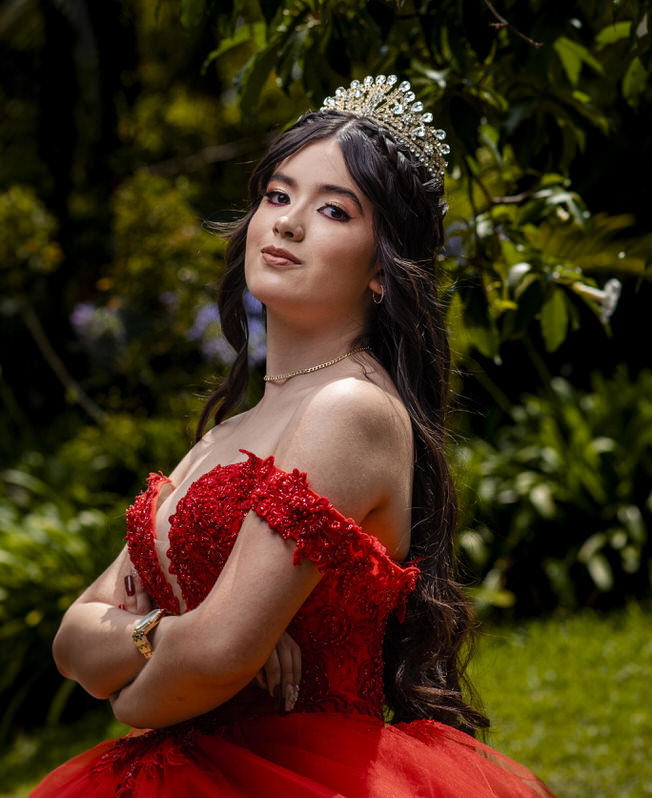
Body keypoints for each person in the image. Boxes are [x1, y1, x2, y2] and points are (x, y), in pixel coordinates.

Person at [31, 75, 553, 797]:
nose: (288, 222)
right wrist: (160, 637)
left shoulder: (351, 409)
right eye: (277, 195)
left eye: (333, 209)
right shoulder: (230, 431)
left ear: (380, 270)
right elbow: (70, 640)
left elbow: (213, 655)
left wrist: (132, 690)